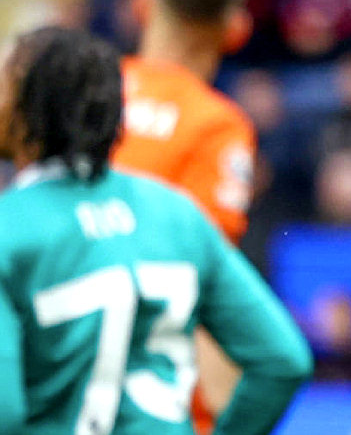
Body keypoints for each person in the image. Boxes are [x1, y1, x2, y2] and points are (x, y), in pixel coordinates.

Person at [0, 27, 312, 433]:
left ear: (26, 109)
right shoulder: (177, 212)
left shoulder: (11, 226)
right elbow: (283, 360)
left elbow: (5, 410)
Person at [109, 0, 258, 429]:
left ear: (141, 5)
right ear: (235, 29)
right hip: (151, 393)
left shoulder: (84, 93)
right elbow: (202, 272)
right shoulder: (219, 127)